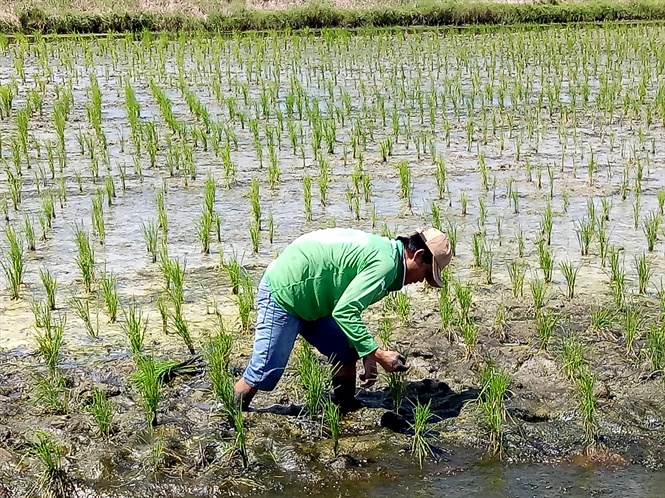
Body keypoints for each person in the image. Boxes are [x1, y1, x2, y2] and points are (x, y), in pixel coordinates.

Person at [234, 226, 453, 413]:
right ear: (417, 255)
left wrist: (366, 352)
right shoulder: (385, 265)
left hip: (316, 298)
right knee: (264, 371)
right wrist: (377, 354)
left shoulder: (389, 258)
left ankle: (345, 406)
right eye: (426, 274)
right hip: (286, 293)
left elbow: (347, 307)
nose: (422, 281)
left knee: (346, 352)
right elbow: (346, 311)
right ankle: (232, 417)